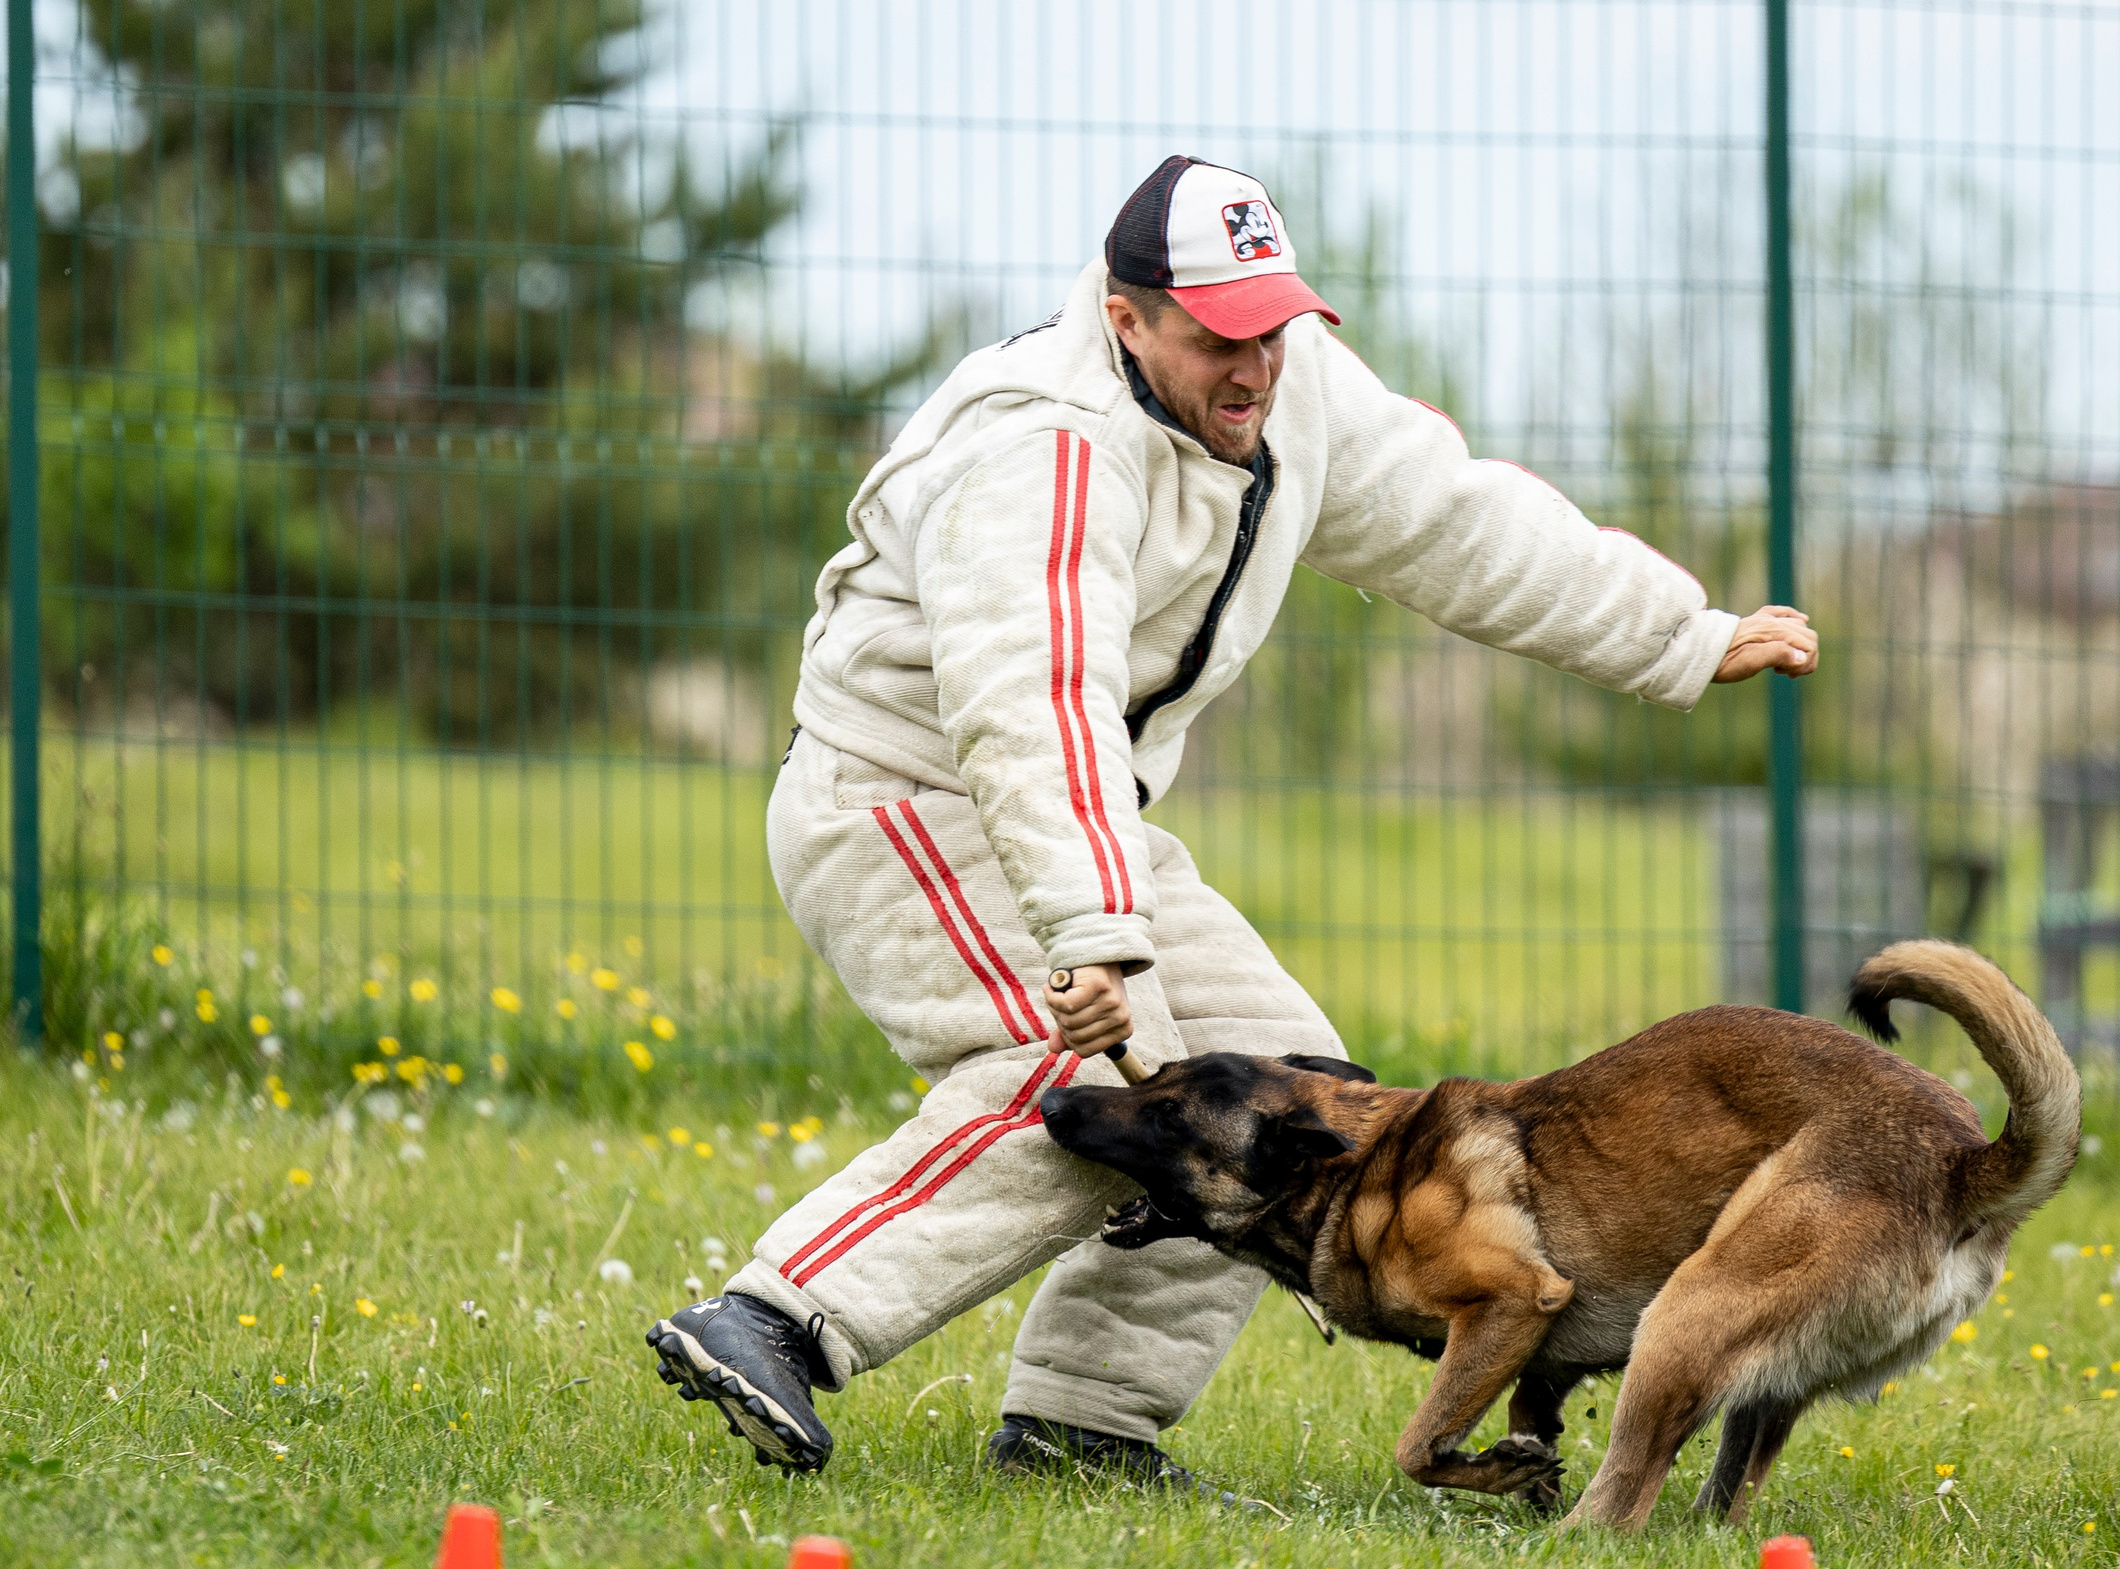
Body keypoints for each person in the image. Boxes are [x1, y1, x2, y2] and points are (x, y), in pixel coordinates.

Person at [645, 155, 1820, 1482]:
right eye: (1218, 336)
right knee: (1087, 1071)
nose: (1253, 366)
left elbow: (1456, 520)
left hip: (1082, 813)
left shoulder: (1288, 386)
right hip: (914, 801)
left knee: (1286, 1103)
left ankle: (1084, 1424)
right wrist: (1096, 932)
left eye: (1271, 326)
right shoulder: (1042, 447)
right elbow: (1033, 709)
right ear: (1127, 316)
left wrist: (1680, 635)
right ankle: (775, 1319)